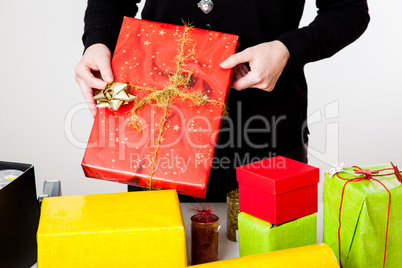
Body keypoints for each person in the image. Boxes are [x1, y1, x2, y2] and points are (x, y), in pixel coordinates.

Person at [75, 0, 369, 202]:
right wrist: (97, 41)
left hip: (267, 128)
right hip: (156, 133)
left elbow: (348, 10)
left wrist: (286, 50)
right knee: (160, 253)